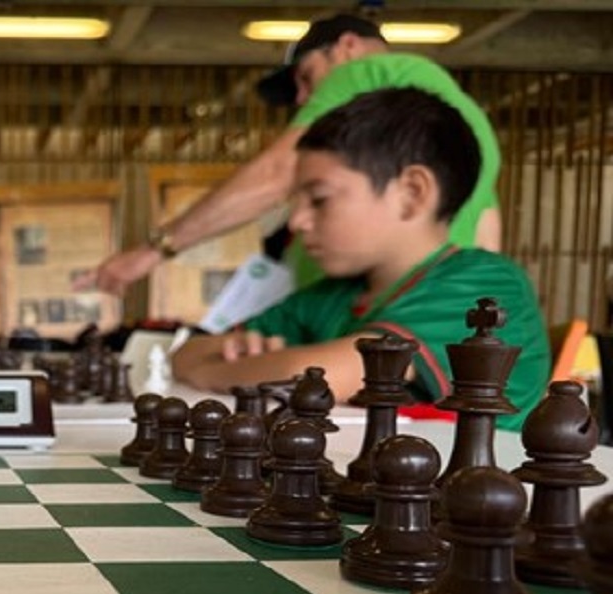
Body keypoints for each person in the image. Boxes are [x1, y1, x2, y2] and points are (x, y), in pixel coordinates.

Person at [170, 87, 547, 431]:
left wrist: (213, 373)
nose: (297, 222)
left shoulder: (484, 285)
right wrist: (230, 363)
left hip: (479, 481)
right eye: (296, 203)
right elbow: (186, 354)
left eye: (319, 199)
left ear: (411, 194)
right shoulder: (330, 296)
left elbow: (313, 377)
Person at [93, 13, 502, 296]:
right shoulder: (469, 124)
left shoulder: (367, 72)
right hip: (431, 312)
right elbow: (487, 235)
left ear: (347, 46)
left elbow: (278, 172)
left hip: (364, 320)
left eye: (306, 77)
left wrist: (152, 250)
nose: (303, 98)